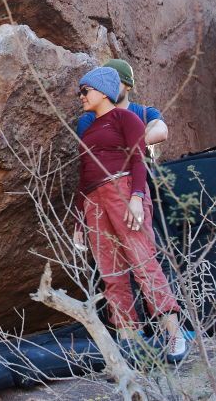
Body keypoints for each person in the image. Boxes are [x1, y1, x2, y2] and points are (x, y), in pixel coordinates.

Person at [72, 66, 187, 363]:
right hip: (93, 199)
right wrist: (78, 222)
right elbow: (83, 175)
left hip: (123, 189)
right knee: (111, 273)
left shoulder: (127, 117)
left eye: (85, 91)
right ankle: (129, 341)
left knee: (143, 262)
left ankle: (172, 335)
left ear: (103, 90)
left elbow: (137, 158)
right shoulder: (87, 126)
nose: (80, 96)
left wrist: (136, 196)